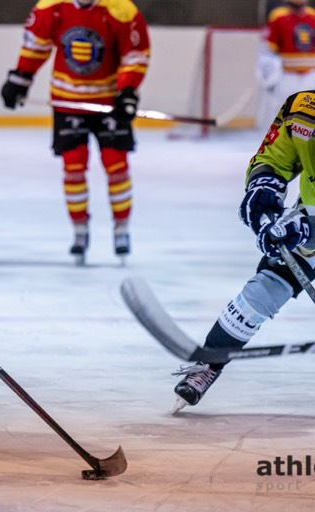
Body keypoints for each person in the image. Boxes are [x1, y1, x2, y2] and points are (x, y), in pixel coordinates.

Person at [172, 89, 315, 413]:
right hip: (311, 219)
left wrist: (307, 228)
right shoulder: (303, 108)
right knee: (265, 288)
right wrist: (265, 186)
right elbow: (274, 158)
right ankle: (210, 362)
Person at [0, 0, 150, 264]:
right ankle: (80, 230)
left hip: (108, 102)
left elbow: (134, 54)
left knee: (117, 165)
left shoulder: (121, 10)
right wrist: (20, 78)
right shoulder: (52, 7)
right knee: (73, 167)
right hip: (68, 101)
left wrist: (127, 90)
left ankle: (121, 228)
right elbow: (37, 45)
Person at [255, 0, 315, 132]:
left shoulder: (313, 16)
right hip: (287, 74)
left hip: (311, 74)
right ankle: (275, 142)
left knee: (310, 111)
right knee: (281, 109)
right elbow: (269, 48)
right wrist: (268, 72)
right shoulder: (278, 16)